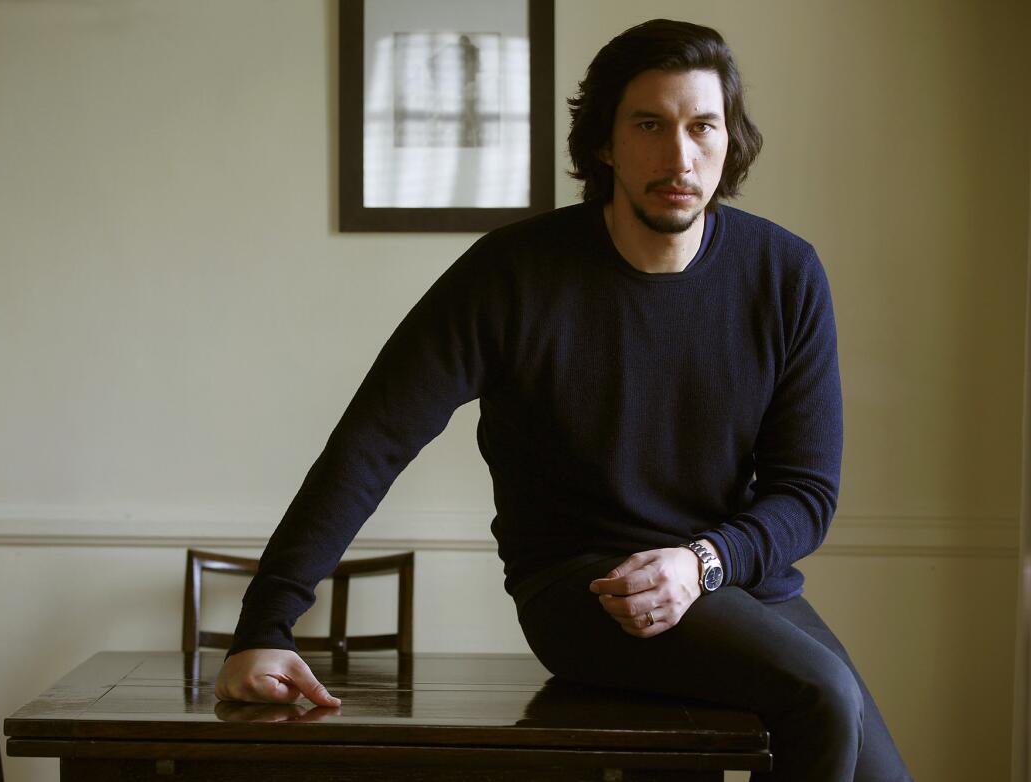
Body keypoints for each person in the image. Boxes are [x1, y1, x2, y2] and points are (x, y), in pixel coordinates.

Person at [216, 18, 911, 782]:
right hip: (584, 587)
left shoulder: (785, 274)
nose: (679, 157)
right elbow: (370, 444)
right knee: (819, 695)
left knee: (871, 759)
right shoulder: (511, 277)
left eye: (702, 127)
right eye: (650, 125)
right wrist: (263, 626)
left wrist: (703, 563)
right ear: (606, 143)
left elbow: (806, 493)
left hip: (733, 578)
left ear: (728, 140)